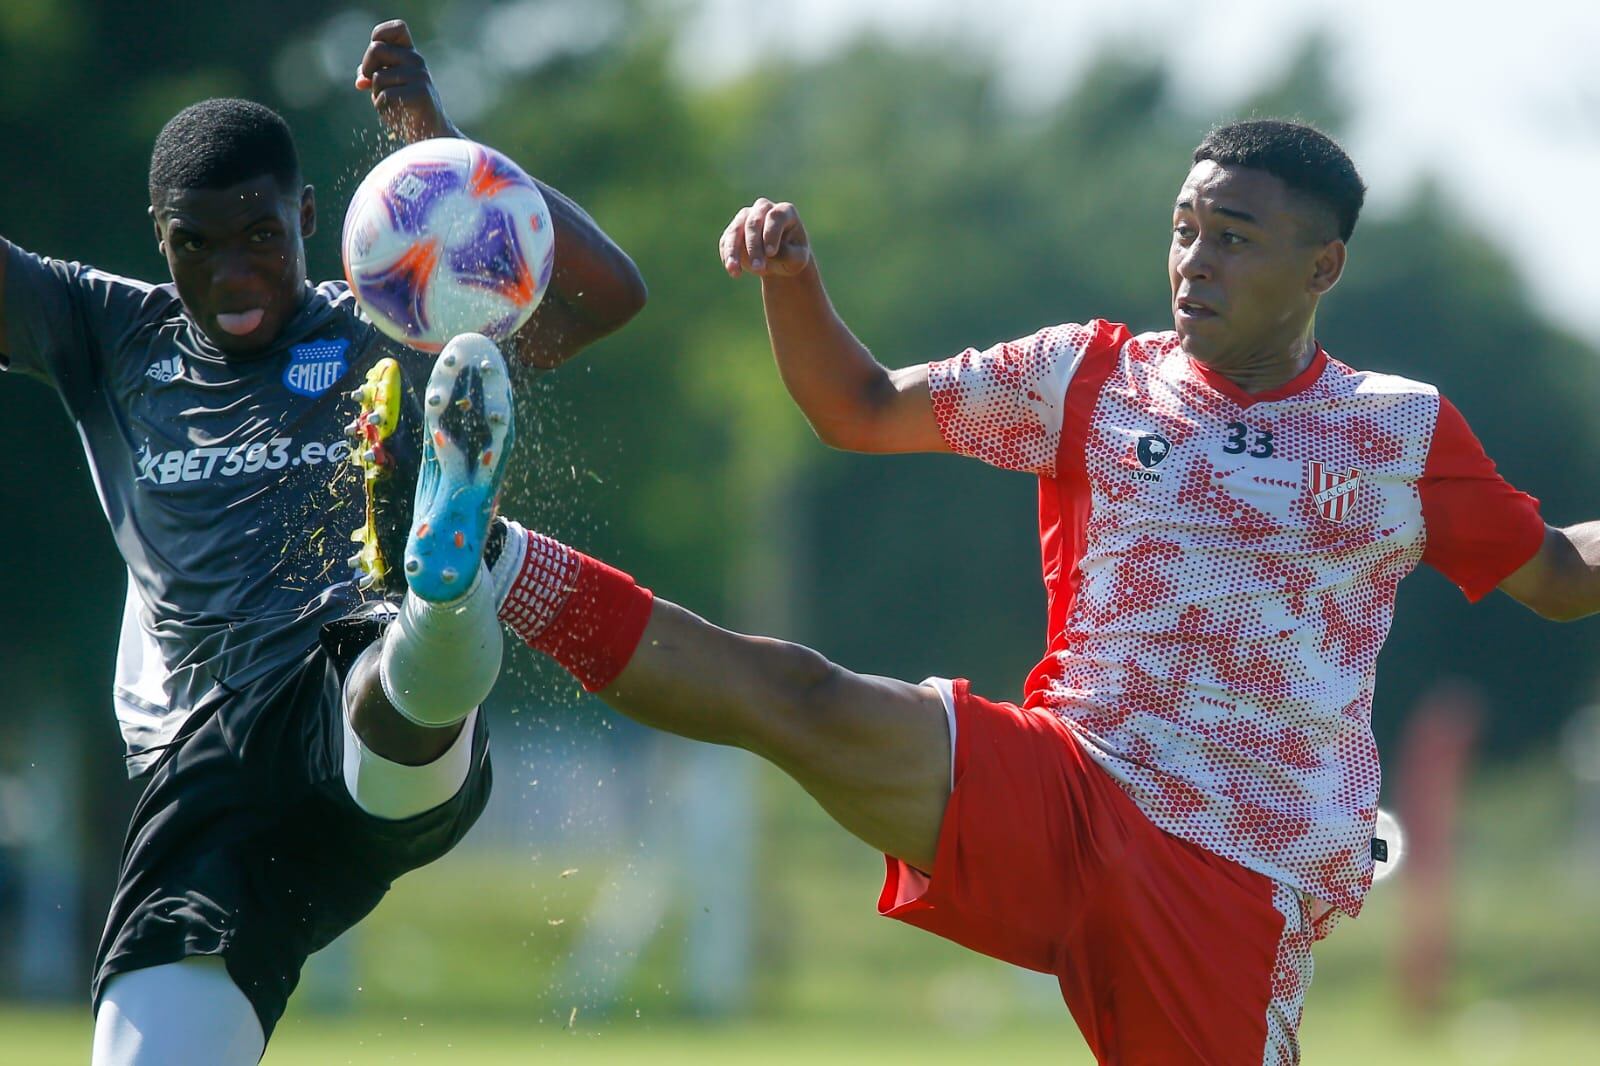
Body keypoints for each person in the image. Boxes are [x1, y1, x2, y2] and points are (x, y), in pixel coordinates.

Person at [477, 120, 1600, 1063]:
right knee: (805, 697)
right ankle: (489, 554)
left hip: (1230, 874)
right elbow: (859, 407)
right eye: (1184, 229)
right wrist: (794, 283)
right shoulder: (1093, 374)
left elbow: (1558, 577)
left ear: (1321, 268)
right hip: (1064, 782)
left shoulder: (1395, 429)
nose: (1194, 260)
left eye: (1234, 238)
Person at [0, 19, 645, 1065]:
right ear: (159, 237)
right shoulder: (104, 332)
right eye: (195, 244)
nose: (232, 271)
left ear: (308, 217)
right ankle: (437, 597)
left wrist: (439, 150)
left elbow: (606, 295)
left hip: (354, 699)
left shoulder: (390, 318)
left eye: (260, 235)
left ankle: (441, 583)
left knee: (382, 669)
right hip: (202, 774)